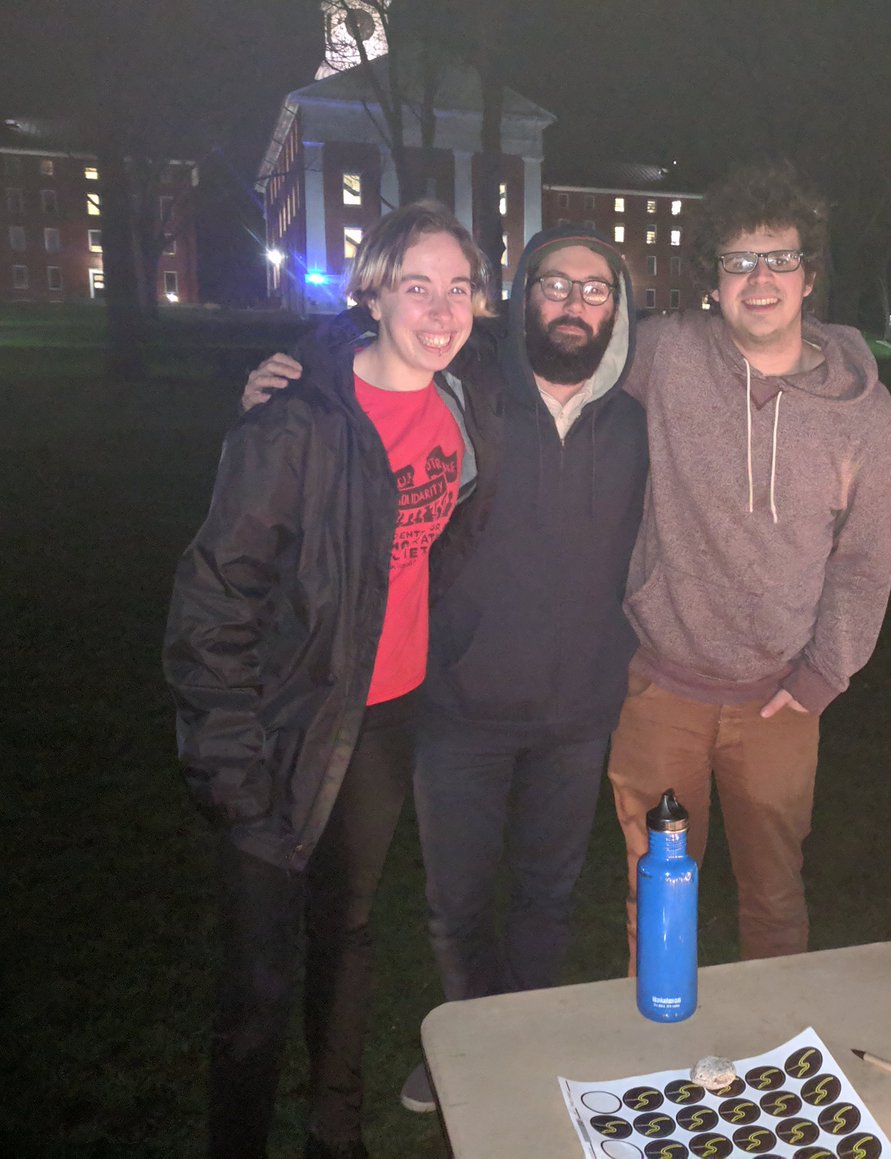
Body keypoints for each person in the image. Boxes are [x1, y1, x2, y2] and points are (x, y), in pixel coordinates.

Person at [240, 225, 648, 1114]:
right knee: (455, 903)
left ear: (618, 308)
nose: (574, 303)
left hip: (580, 711)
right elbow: (378, 355)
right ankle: (472, 1043)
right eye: (555, 283)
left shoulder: (637, 418)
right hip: (458, 701)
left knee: (546, 896)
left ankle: (520, 1042)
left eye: (596, 288)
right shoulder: (472, 394)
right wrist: (299, 372)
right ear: (522, 295)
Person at [164, 201, 491, 1159]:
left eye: (459, 287)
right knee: (259, 980)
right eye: (417, 286)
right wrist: (230, 761)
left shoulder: (461, 407)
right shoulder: (294, 422)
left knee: (346, 934)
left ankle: (336, 1135)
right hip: (282, 728)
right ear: (373, 296)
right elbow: (213, 601)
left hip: (385, 721)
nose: (441, 310)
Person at [608, 160, 891, 965]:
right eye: (738, 260)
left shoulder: (864, 413)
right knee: (656, 890)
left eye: (780, 257)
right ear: (714, 279)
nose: (759, 278)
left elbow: (864, 559)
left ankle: (778, 1037)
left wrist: (824, 673)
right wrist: (330, 359)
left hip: (780, 700)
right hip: (661, 687)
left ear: (811, 275)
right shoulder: (666, 354)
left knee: (774, 895)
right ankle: (659, 1030)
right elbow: (556, 359)